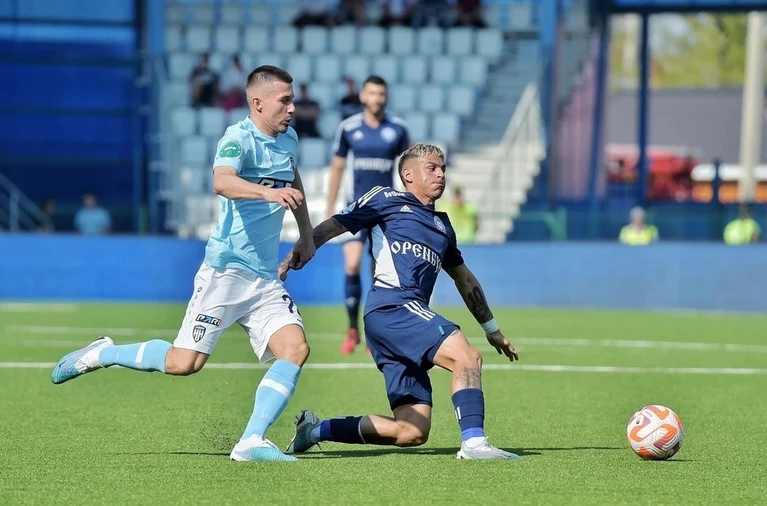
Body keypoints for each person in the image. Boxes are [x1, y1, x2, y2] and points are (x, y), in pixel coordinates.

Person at [50, 65, 317, 463]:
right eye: (285, 100)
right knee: (183, 363)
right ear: (258, 103)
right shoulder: (238, 139)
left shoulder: (289, 138)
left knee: (295, 348)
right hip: (226, 272)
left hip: (264, 278)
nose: (293, 108)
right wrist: (266, 194)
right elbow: (222, 181)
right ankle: (102, 353)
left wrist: (306, 233)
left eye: (292, 100)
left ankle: (251, 441)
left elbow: (292, 179)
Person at [280, 143, 520, 460]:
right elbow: (337, 223)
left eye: (443, 168)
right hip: (391, 306)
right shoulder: (385, 199)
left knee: (411, 431)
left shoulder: (443, 226)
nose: (441, 174)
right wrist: (303, 246)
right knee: (466, 357)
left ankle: (314, 430)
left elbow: (464, 279)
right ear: (408, 175)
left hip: (399, 319)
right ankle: (474, 443)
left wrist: (492, 329)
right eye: (432, 168)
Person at [326, 75, 410, 354]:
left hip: (385, 212)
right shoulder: (348, 128)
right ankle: (352, 329)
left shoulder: (398, 129)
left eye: (381, 94)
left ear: (386, 97)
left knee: (379, 275)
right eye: (371, 93)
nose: (376, 99)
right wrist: (330, 207)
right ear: (362, 96)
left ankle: (375, 333)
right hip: (355, 209)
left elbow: (408, 169)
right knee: (351, 265)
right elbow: (337, 167)